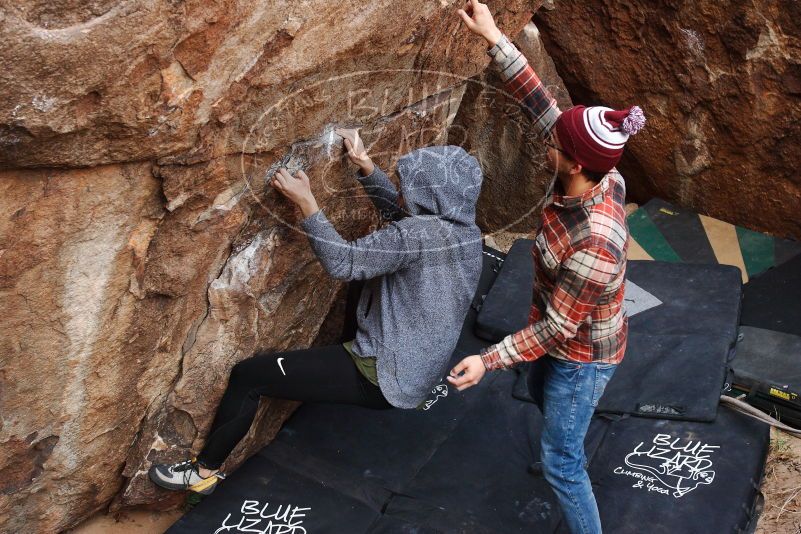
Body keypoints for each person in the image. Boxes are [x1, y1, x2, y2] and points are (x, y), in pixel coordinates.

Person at [149, 129, 484, 495]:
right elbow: (406, 219)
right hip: (418, 371)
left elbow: (344, 262)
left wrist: (307, 202)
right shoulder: (467, 234)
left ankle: (202, 474)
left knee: (249, 377)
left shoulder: (418, 236)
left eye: (410, 186)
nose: (403, 192)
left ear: (429, 196)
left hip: (381, 375)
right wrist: (366, 168)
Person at [447, 2, 645, 533]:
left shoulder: (596, 241)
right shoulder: (596, 168)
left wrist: (488, 360)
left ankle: (567, 467)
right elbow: (542, 104)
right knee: (538, 391)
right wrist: (493, 37)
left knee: (562, 464)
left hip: (582, 355)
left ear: (576, 162)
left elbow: (560, 329)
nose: (545, 137)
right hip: (556, 334)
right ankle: (563, 437)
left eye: (554, 143)